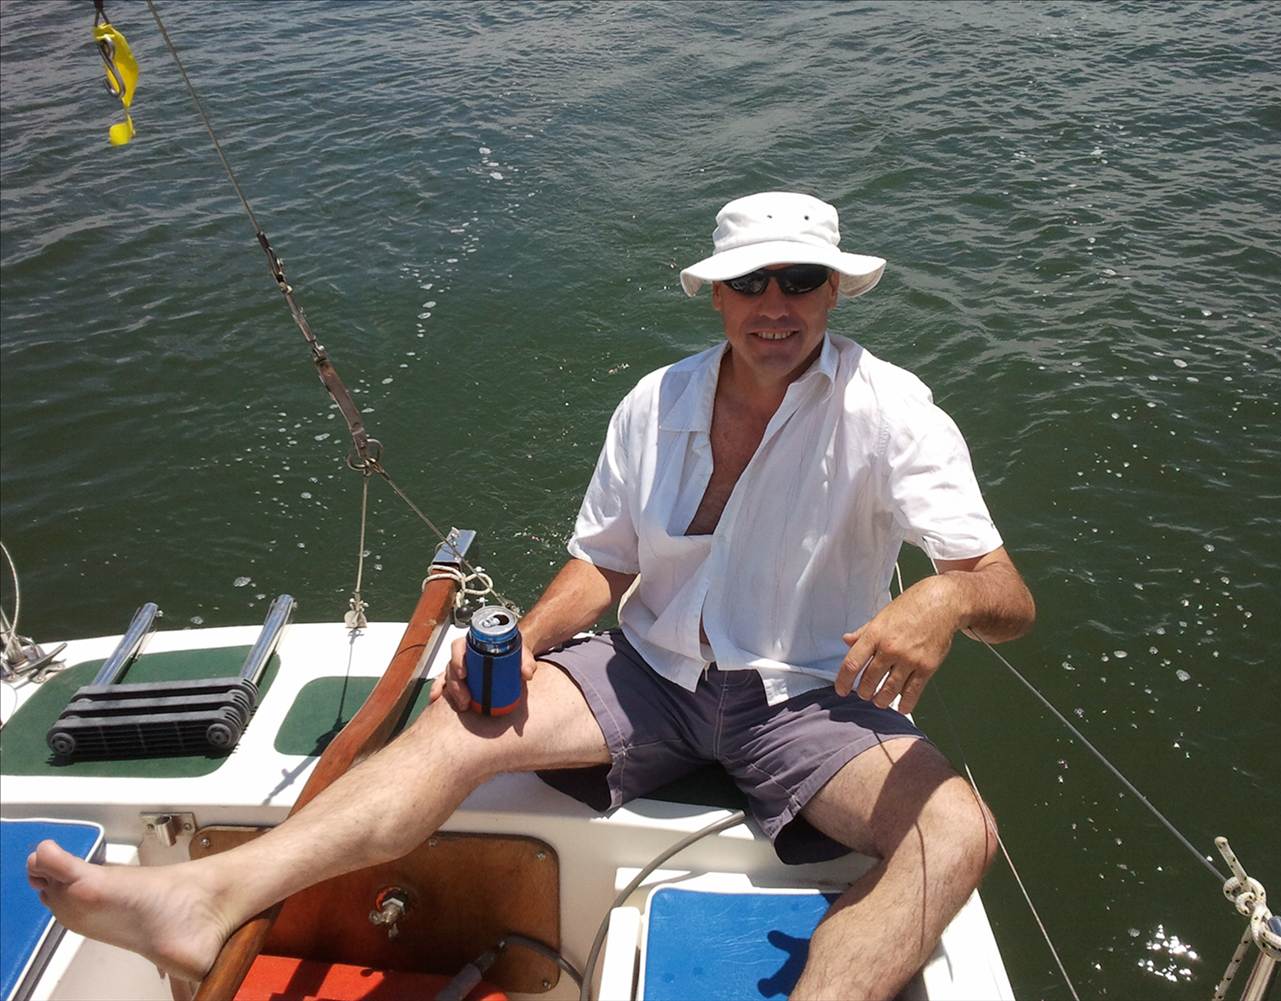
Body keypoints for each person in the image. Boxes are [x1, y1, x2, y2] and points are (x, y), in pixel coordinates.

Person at [28, 191, 1035, 1000]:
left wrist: (942, 603)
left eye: (801, 279)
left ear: (835, 291)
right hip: (650, 673)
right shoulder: (656, 401)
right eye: (749, 280)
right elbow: (604, 563)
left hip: (806, 697)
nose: (776, 303)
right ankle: (207, 896)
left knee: (957, 833)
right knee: (457, 724)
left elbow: (1005, 592)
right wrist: (525, 638)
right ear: (716, 295)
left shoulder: (891, 411)